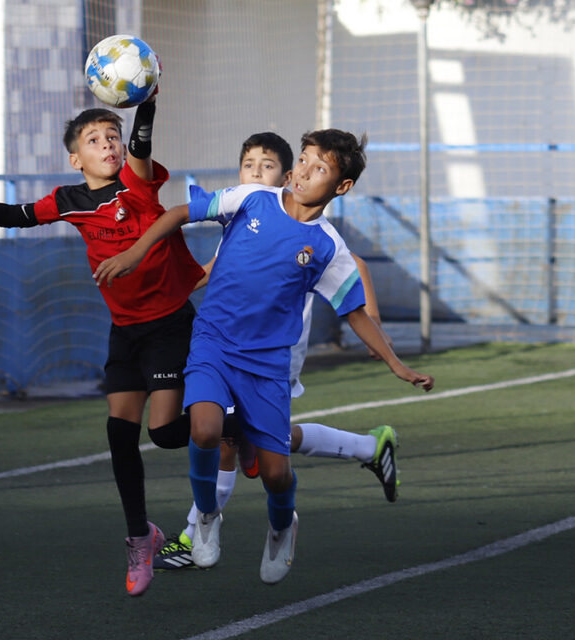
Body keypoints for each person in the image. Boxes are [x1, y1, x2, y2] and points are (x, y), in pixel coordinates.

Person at [94, 128, 434, 584]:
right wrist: (136, 253)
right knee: (206, 427)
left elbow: (353, 312)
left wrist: (397, 364)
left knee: (275, 475)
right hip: (212, 342)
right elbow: (179, 212)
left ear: (342, 186)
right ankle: (207, 521)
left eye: (320, 168)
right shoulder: (254, 199)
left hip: (268, 364)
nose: (303, 171)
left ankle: (281, 526)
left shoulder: (328, 248)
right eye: (305, 159)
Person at [0, 99, 206, 597]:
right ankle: (140, 538)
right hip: (125, 331)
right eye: (94, 139)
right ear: (76, 158)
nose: (107, 143)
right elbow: (16, 214)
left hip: (169, 324)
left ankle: (235, 427)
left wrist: (146, 102)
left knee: (165, 433)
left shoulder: (138, 184)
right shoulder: (70, 198)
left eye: (112, 135)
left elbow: (143, 143)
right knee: (119, 435)